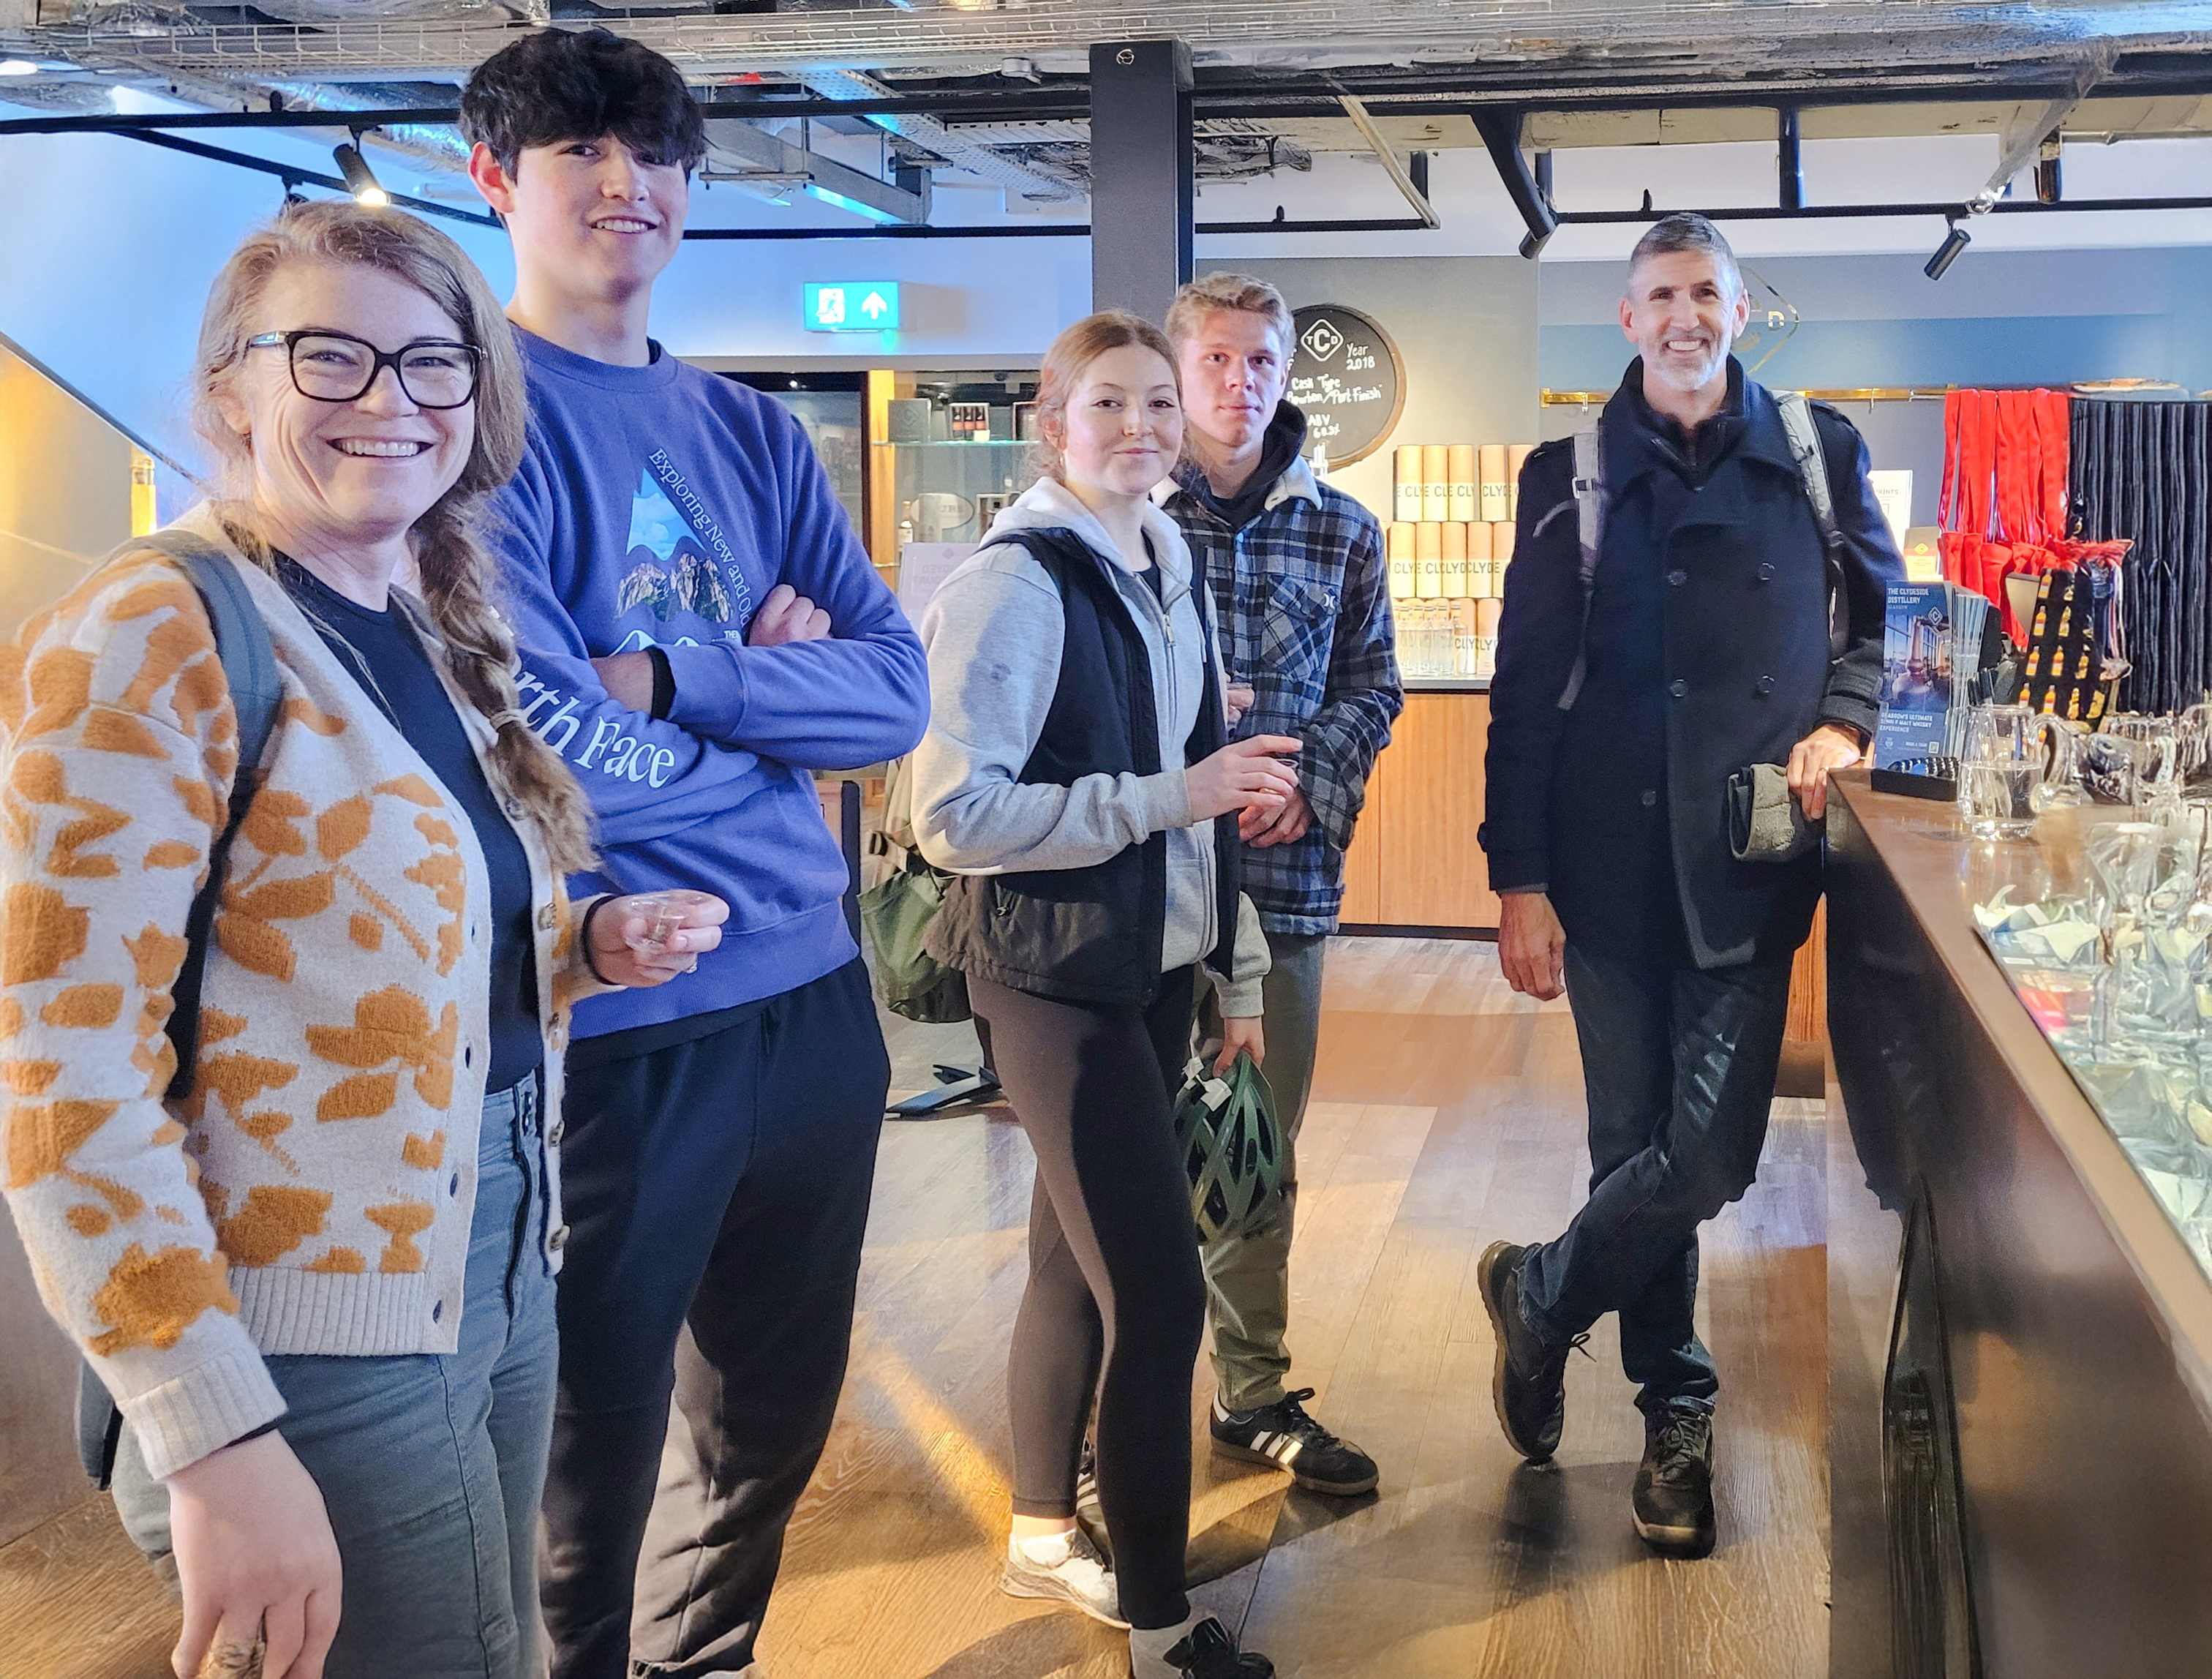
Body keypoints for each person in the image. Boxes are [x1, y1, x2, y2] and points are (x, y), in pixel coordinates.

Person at [0, 199, 726, 1679]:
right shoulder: (158, 627)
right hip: (303, 1327)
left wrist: (582, 943)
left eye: (432, 363)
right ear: (229, 394)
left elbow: (348, 961)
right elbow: (62, 1077)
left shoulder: (424, 624)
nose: (392, 401)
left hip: (500, 1248)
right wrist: (213, 1433)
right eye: (331, 358)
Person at [458, 30, 930, 1679]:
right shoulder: (471, 433)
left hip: (815, 995)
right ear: (494, 181)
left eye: (654, 156)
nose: (622, 184)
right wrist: (773, 713)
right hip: (622, 1015)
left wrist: (673, 675)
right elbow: (533, 730)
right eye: (579, 151)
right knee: (591, 1435)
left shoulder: (747, 429)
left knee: (774, 1424)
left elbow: (894, 691)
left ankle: (699, 1658)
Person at [1478, 211, 1899, 1556]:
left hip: (1747, 857)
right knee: (1632, 1142)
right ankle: (1676, 1414)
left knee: (1710, 1152)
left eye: (1705, 292)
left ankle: (1541, 1295)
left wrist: (1844, 719)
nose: (1684, 316)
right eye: (1660, 294)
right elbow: (1524, 697)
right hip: (1603, 870)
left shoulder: (1818, 456)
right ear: (1628, 318)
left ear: (1738, 309)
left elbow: (1886, 623)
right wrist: (1518, 879)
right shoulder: (1570, 472)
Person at [911, 310, 1289, 1679]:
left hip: (1149, 968)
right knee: (1161, 1295)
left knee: (1072, 1265)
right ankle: (1157, 1619)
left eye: (1156, 407)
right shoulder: (1013, 584)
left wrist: (1230, 968)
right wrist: (1162, 799)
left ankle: (1035, 1530)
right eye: (1109, 407)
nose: (1141, 430)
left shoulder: (1163, 554)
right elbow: (951, 814)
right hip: (1052, 983)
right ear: (1052, 422)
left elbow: (1205, 773)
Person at [1160, 273, 1402, 1499]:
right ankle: (1116, 1404)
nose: (1238, 381)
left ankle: (1249, 1393)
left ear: (1283, 374)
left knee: (1251, 1147)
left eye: (1260, 361)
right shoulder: (1121, 515)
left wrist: (1317, 775)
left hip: (1284, 881)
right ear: (1179, 365)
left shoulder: (1345, 528)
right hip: (1135, 887)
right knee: (1131, 1154)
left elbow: (1376, 684)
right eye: (1216, 359)